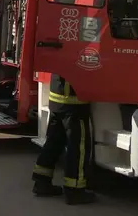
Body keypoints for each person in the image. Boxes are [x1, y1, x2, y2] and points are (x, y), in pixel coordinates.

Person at [32, 74, 95, 205]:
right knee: (78, 146)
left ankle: (42, 182)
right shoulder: (74, 52)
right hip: (73, 104)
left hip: (57, 99)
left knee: (53, 142)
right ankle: (75, 190)